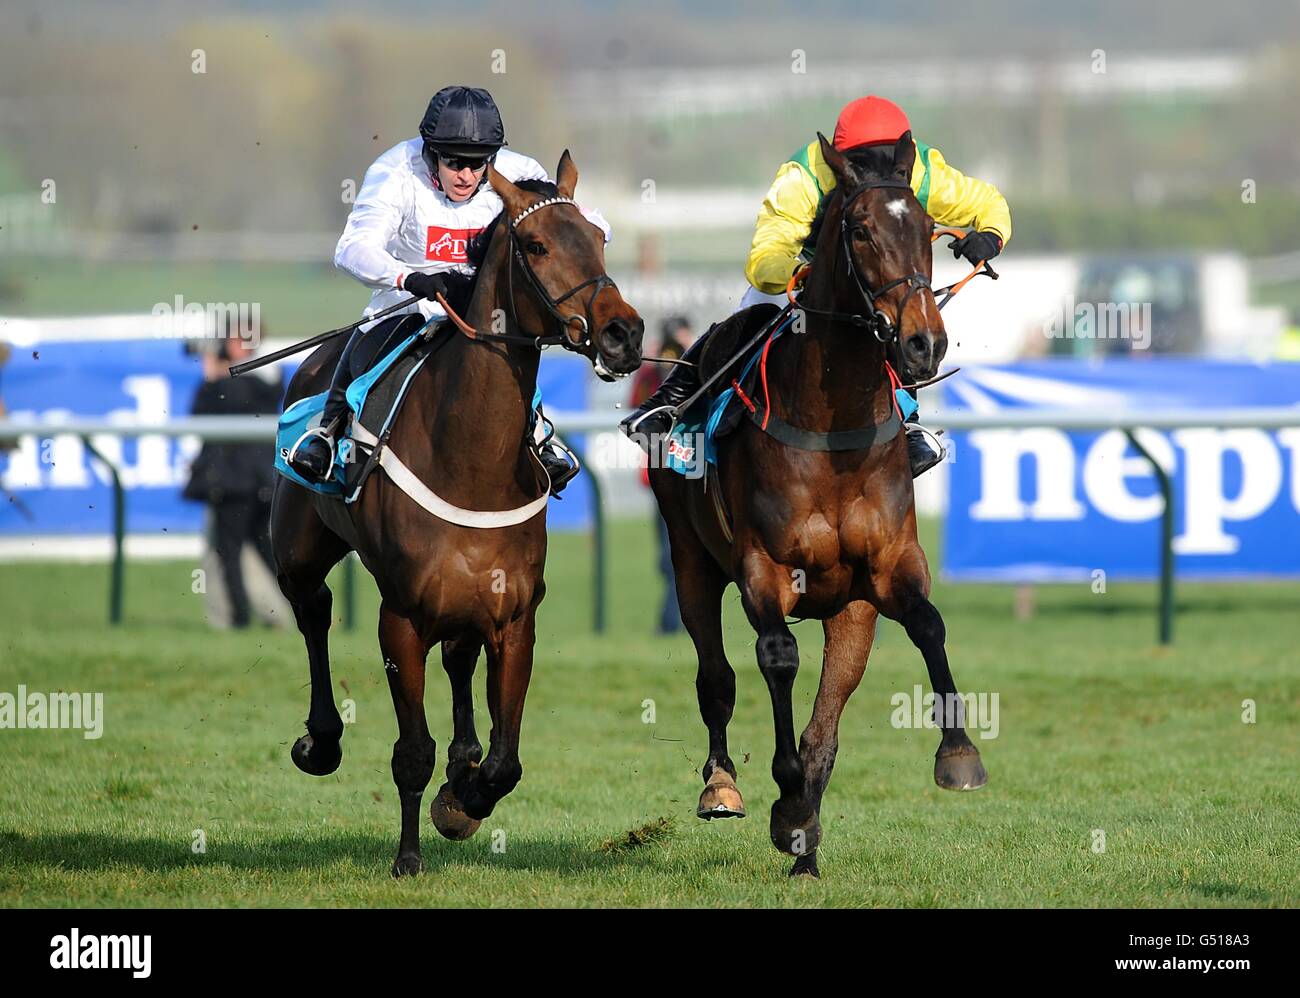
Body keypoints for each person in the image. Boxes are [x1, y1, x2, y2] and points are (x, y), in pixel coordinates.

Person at [622, 95, 1012, 478]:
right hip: (799, 277)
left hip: (869, 285)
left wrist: (990, 237)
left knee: (906, 319)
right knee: (750, 318)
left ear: (901, 158)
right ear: (840, 161)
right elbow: (763, 260)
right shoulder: (804, 176)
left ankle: (908, 426)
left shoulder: (926, 170)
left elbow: (988, 204)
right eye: (862, 165)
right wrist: (803, 274)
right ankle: (667, 406)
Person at [288, 85, 610, 494]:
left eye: (479, 164)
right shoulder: (395, 171)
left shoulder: (519, 173)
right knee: (367, 339)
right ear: (430, 151)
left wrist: (591, 232)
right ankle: (329, 432)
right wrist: (409, 278)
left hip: (482, 313)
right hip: (408, 306)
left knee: (511, 348)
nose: (467, 175)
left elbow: (579, 224)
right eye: (455, 162)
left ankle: (538, 431)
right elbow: (351, 250)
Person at [183, 334, 283, 629]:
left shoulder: (236, 383)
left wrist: (213, 377)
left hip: (231, 482)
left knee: (229, 553)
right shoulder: (269, 379)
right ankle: (295, 609)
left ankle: (239, 617)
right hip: (263, 479)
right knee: (267, 550)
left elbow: (202, 413)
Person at [631, 316, 694, 633]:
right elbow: (639, 411)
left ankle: (673, 622)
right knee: (666, 556)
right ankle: (674, 621)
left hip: (692, 471)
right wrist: (656, 366)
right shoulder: (650, 372)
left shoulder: (699, 363)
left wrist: (690, 355)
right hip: (662, 471)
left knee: (679, 554)